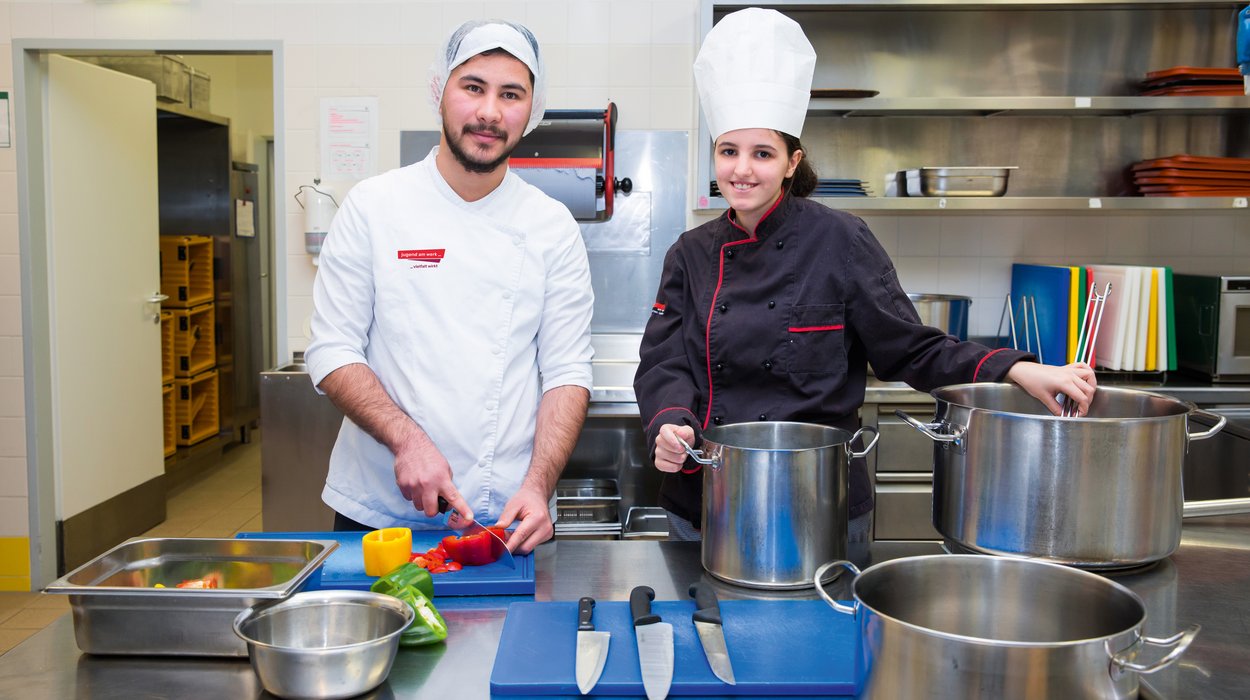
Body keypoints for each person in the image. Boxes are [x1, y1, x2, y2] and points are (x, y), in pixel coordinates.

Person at [633, 8, 1096, 543]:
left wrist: (1016, 370)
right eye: (728, 151)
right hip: (707, 496)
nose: (742, 169)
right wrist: (670, 423)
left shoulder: (842, 240)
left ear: (791, 162)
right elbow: (664, 360)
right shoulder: (690, 253)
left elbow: (911, 349)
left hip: (817, 501)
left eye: (762, 153)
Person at [305, 19, 594, 554]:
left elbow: (566, 372)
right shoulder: (374, 206)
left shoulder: (551, 225)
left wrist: (539, 485)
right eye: (473, 87)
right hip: (381, 511)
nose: (490, 112)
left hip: (507, 517)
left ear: (532, 109)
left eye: (511, 94)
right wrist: (407, 440)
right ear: (440, 90)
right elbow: (332, 350)